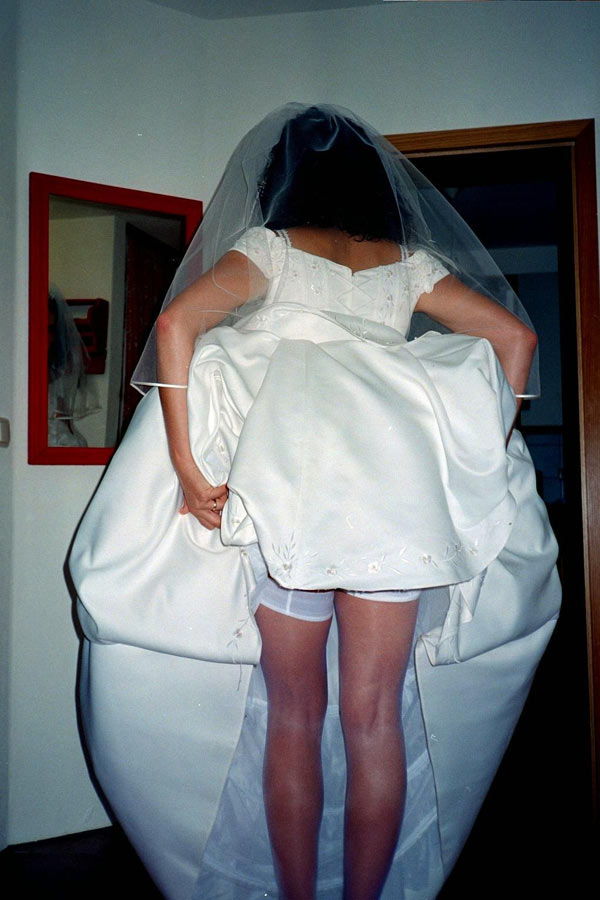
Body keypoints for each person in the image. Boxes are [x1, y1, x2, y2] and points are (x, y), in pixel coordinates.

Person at [70, 104, 561, 900]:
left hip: (292, 506)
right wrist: (476, 454)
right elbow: (519, 342)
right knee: (375, 721)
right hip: (394, 512)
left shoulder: (273, 248)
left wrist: (188, 467)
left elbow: (177, 322)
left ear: (286, 177)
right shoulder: (407, 264)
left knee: (295, 715)